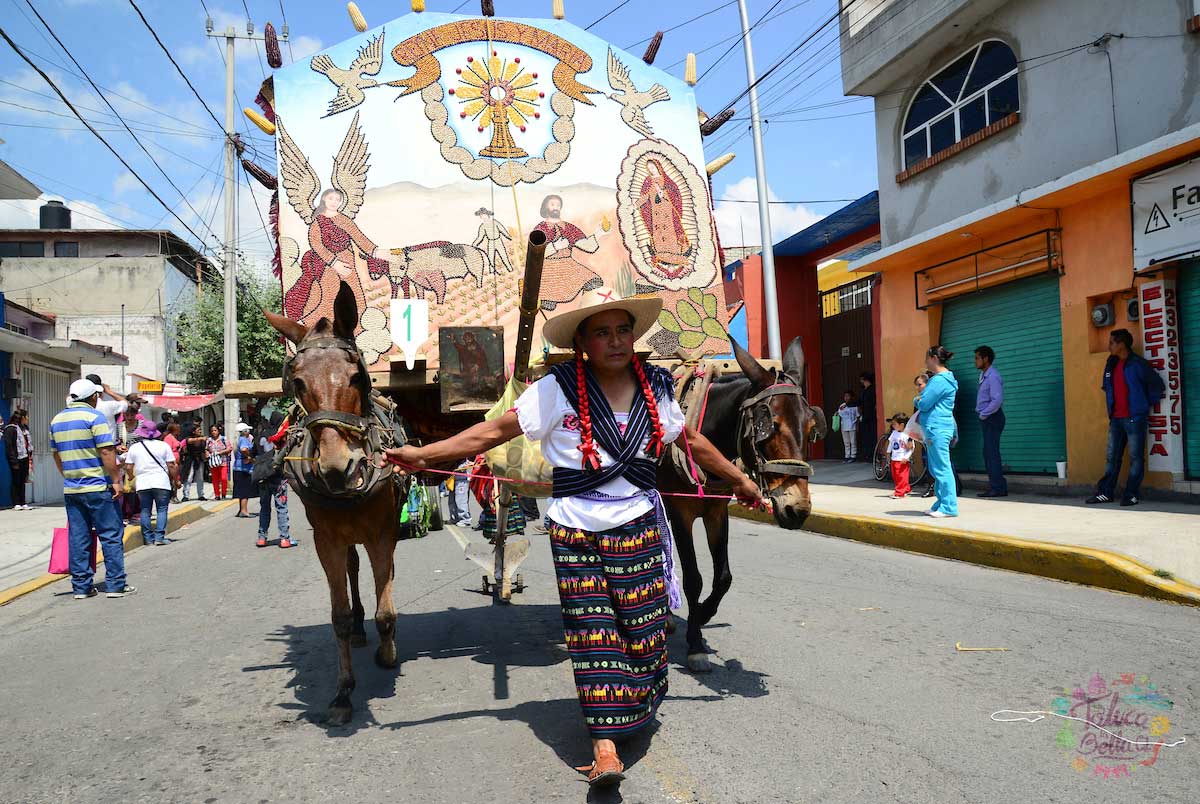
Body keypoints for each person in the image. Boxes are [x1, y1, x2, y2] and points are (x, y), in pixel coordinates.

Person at [383, 295, 763, 788]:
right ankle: (604, 747)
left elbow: (689, 440)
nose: (615, 341)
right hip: (576, 531)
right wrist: (427, 454)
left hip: (639, 526)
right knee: (593, 635)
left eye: (622, 331)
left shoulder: (656, 386)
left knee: (645, 633)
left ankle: (630, 708)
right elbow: (492, 432)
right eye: (601, 333)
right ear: (581, 343)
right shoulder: (555, 390)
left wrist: (739, 479)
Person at [50, 378, 134, 599]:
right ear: (93, 397)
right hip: (98, 486)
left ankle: (82, 587)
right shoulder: (94, 417)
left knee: (79, 537)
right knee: (111, 535)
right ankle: (116, 585)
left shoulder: (57, 420)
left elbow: (56, 455)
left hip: (72, 489)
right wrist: (116, 480)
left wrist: (69, 476)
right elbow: (106, 451)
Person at [1087, 328, 1165, 507]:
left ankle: (1131, 495)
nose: (1109, 347)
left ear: (1121, 344)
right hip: (1116, 419)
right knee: (1112, 458)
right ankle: (1105, 493)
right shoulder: (1111, 363)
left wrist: (1142, 405)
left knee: (1136, 458)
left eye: (1112, 343)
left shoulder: (1138, 364)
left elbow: (1157, 385)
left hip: (1134, 418)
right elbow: (1107, 386)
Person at [533, 195, 604, 310]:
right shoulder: (541, 228)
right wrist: (555, 246)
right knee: (548, 302)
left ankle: (586, 307)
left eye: (558, 205)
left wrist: (599, 233)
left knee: (594, 281)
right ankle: (548, 300)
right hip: (549, 267)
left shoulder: (568, 227)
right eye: (552, 204)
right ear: (545, 207)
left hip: (568, 264)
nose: (556, 207)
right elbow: (536, 252)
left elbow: (586, 245)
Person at [916, 346, 959, 518]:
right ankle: (941, 503)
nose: (925, 362)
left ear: (934, 358)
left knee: (941, 468)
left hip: (937, 429)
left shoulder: (939, 380)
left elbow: (924, 403)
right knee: (936, 468)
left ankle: (948, 507)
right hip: (937, 428)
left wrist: (916, 399)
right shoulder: (943, 379)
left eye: (927, 358)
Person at [125, 420, 178, 546]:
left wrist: (131, 477)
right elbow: (171, 465)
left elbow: (128, 467)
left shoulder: (134, 448)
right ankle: (159, 537)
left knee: (145, 510)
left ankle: (148, 539)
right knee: (162, 509)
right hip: (161, 482)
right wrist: (176, 480)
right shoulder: (163, 446)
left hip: (143, 483)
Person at [913, 372, 962, 500]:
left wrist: (954, 434)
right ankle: (938, 492)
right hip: (927, 435)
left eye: (920, 384)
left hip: (936, 433)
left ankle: (949, 496)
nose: (917, 388)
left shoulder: (931, 398)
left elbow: (948, 415)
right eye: (916, 385)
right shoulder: (923, 398)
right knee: (933, 465)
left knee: (942, 465)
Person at [253, 412, 293, 549]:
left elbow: (253, 453)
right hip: (277, 476)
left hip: (262, 476)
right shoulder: (281, 435)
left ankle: (262, 538)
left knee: (264, 508)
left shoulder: (260, 435)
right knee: (281, 508)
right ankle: (284, 539)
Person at [974, 345, 1008, 498]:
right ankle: (997, 486)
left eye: (977, 358)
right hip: (988, 418)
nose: (975, 361)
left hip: (992, 418)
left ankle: (998, 488)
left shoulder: (993, 376)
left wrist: (984, 414)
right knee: (988, 453)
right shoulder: (984, 375)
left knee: (991, 453)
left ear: (985, 359)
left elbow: (997, 400)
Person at [4, 410, 33, 510]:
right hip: (16, 459)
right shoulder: (10, 429)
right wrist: (13, 461)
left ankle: (23, 502)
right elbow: (9, 447)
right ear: (22, 417)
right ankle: (16, 502)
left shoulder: (24, 428)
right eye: (26, 416)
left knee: (22, 480)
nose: (27, 419)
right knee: (16, 480)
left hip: (25, 457)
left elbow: (27, 443)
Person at [178, 416, 207, 502]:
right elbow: (189, 441)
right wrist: (200, 438)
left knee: (200, 477)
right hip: (190, 459)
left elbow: (204, 448)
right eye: (198, 430)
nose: (200, 431)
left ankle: (201, 494)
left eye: (200, 430)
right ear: (193, 431)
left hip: (199, 459)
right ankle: (186, 495)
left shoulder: (202, 440)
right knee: (189, 477)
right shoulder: (189, 438)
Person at [887, 413, 914, 498]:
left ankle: (899, 493)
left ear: (901, 425)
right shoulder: (894, 433)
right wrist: (888, 452)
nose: (893, 426)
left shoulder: (908, 435)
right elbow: (891, 443)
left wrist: (906, 457)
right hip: (894, 458)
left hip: (902, 460)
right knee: (895, 476)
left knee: (901, 476)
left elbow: (911, 448)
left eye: (894, 424)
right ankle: (906, 489)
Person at [232, 423, 255, 518]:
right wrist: (249, 456)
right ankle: (244, 510)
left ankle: (241, 509)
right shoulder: (244, 440)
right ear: (244, 431)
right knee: (245, 490)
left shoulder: (239, 439)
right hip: (244, 469)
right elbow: (244, 449)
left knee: (241, 490)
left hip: (238, 468)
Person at [206, 425, 232, 500]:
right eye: (212, 431)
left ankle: (223, 494)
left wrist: (220, 453)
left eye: (215, 430)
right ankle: (217, 495)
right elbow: (206, 449)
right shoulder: (209, 440)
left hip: (223, 461)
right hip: (213, 462)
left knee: (224, 478)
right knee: (215, 479)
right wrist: (207, 453)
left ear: (218, 431)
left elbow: (229, 448)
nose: (213, 432)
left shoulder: (224, 439)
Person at [856, 372, 877, 463]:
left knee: (871, 436)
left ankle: (872, 455)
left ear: (866, 381)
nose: (861, 382)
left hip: (871, 416)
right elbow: (859, 402)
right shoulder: (865, 390)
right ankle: (868, 455)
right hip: (866, 416)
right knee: (867, 437)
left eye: (862, 380)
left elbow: (860, 402)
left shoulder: (871, 390)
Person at [836, 390, 860, 463]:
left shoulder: (855, 406)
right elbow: (838, 413)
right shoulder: (842, 405)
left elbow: (858, 415)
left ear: (851, 397)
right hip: (844, 425)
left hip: (852, 425)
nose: (846, 398)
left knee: (853, 441)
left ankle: (853, 456)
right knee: (846, 442)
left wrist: (857, 425)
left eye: (848, 396)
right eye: (845, 396)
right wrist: (839, 410)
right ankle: (847, 456)